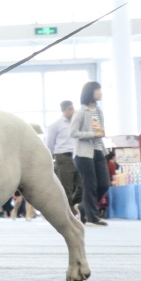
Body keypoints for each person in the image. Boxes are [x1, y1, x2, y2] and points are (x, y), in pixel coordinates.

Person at [71, 81, 109, 226]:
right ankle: (93, 217)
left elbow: (99, 130)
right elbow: (73, 132)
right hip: (83, 153)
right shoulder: (80, 112)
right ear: (90, 93)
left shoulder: (99, 111)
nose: (100, 92)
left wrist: (100, 133)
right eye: (97, 90)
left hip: (98, 151)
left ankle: (82, 207)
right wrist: (92, 134)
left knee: (104, 184)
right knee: (90, 185)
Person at [43, 100, 80, 213]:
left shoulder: (77, 123)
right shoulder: (55, 125)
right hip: (63, 156)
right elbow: (50, 144)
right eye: (70, 109)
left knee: (82, 185)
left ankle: (74, 205)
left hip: (78, 155)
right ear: (64, 111)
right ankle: (68, 212)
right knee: (66, 187)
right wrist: (52, 160)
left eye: (73, 108)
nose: (72, 111)